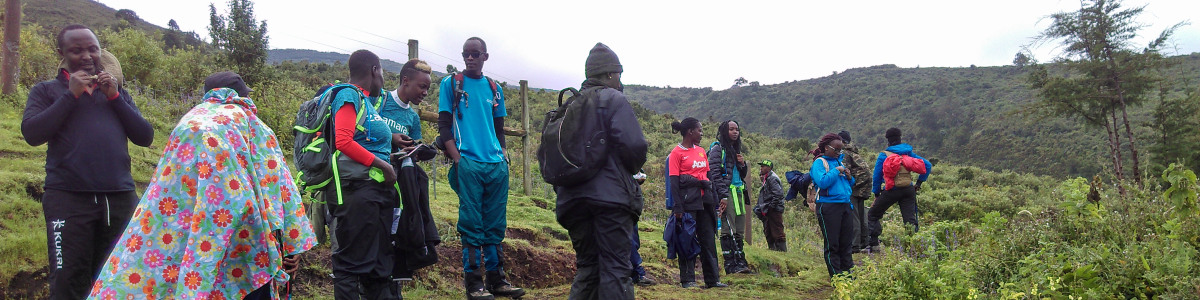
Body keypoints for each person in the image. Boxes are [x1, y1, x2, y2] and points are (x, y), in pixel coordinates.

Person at [88, 72, 317, 299]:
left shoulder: (188, 122)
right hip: (247, 236)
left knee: (200, 279)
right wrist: (290, 243)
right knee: (248, 281)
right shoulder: (251, 122)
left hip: (194, 235)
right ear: (242, 96)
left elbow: (164, 190)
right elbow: (278, 186)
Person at [21, 24, 154, 299]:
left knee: (119, 278)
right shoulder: (46, 91)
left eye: (92, 48)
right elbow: (32, 134)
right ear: (62, 53)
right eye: (77, 50)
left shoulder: (115, 92)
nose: (86, 55)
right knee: (69, 280)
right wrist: (71, 95)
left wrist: (116, 97)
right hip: (68, 200)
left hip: (119, 199)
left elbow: (145, 137)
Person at [553, 42, 648, 300]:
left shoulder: (568, 105)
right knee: (616, 268)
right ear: (609, 74)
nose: (620, 79)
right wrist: (631, 169)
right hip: (610, 202)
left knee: (588, 268)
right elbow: (635, 146)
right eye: (619, 73)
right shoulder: (613, 99)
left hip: (571, 201)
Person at [437, 37, 523, 300]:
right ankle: (474, 284)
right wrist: (458, 158)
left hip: (496, 165)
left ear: (485, 56)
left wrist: (504, 156)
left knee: (495, 224)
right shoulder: (451, 83)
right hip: (469, 163)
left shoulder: (494, 88)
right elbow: (443, 124)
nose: (470, 58)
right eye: (466, 54)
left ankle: (498, 281)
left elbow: (499, 128)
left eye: (475, 54)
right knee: (472, 224)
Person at [328, 50, 401, 300]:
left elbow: (365, 143)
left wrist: (392, 155)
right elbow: (343, 141)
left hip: (375, 192)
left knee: (377, 262)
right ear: (374, 70)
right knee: (349, 264)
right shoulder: (348, 94)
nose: (383, 78)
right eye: (382, 71)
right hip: (357, 191)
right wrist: (383, 165)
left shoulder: (366, 101)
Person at [379, 59, 439, 283]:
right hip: (374, 173)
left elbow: (413, 150)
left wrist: (416, 149)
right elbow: (363, 128)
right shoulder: (380, 101)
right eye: (422, 86)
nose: (425, 93)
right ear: (406, 80)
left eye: (427, 88)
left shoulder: (412, 117)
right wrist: (390, 136)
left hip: (400, 181)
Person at [668, 117, 727, 289]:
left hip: (705, 202)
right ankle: (688, 280)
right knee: (686, 240)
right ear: (690, 132)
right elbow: (674, 182)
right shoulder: (676, 153)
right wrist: (677, 207)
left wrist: (716, 202)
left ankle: (712, 280)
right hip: (687, 204)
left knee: (708, 240)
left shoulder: (701, 151)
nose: (702, 133)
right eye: (699, 130)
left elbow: (709, 178)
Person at [867, 128, 933, 252]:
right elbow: (927, 165)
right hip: (908, 189)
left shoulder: (884, 155)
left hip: (891, 190)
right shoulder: (908, 153)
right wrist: (918, 183)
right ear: (900, 138)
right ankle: (915, 248)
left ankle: (874, 245)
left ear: (888, 140)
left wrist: (876, 193)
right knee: (910, 220)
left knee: (873, 214)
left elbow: (876, 176)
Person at [706, 120, 752, 274]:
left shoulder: (734, 150)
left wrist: (743, 164)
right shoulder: (718, 149)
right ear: (724, 131)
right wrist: (723, 196)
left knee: (739, 229)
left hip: (738, 192)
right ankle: (730, 265)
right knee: (728, 229)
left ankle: (741, 261)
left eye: (737, 129)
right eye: (731, 129)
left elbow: (741, 174)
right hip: (727, 193)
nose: (735, 132)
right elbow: (714, 173)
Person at [810, 133, 856, 277]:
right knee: (833, 244)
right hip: (829, 206)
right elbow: (823, 182)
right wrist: (836, 171)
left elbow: (849, 184)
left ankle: (849, 275)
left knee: (846, 244)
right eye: (835, 149)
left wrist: (849, 177)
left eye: (840, 150)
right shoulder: (819, 163)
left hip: (845, 205)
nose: (838, 153)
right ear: (826, 147)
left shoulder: (838, 162)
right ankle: (837, 277)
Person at [838, 131, 874, 253]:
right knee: (862, 214)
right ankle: (865, 242)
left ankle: (855, 245)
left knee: (854, 216)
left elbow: (844, 171)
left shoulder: (845, 154)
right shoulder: (855, 153)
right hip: (864, 186)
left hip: (855, 186)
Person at [754, 160, 787, 252]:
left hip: (774, 209)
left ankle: (782, 252)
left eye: (763, 166)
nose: (761, 168)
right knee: (768, 231)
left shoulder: (772, 178)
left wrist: (771, 207)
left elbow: (778, 194)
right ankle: (773, 251)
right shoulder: (766, 178)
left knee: (777, 231)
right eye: (761, 166)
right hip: (768, 209)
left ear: (769, 168)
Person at [629, 170, 655, 287]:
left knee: (633, 240)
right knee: (629, 240)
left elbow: (639, 175)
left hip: (630, 205)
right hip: (622, 205)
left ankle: (635, 273)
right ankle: (637, 273)